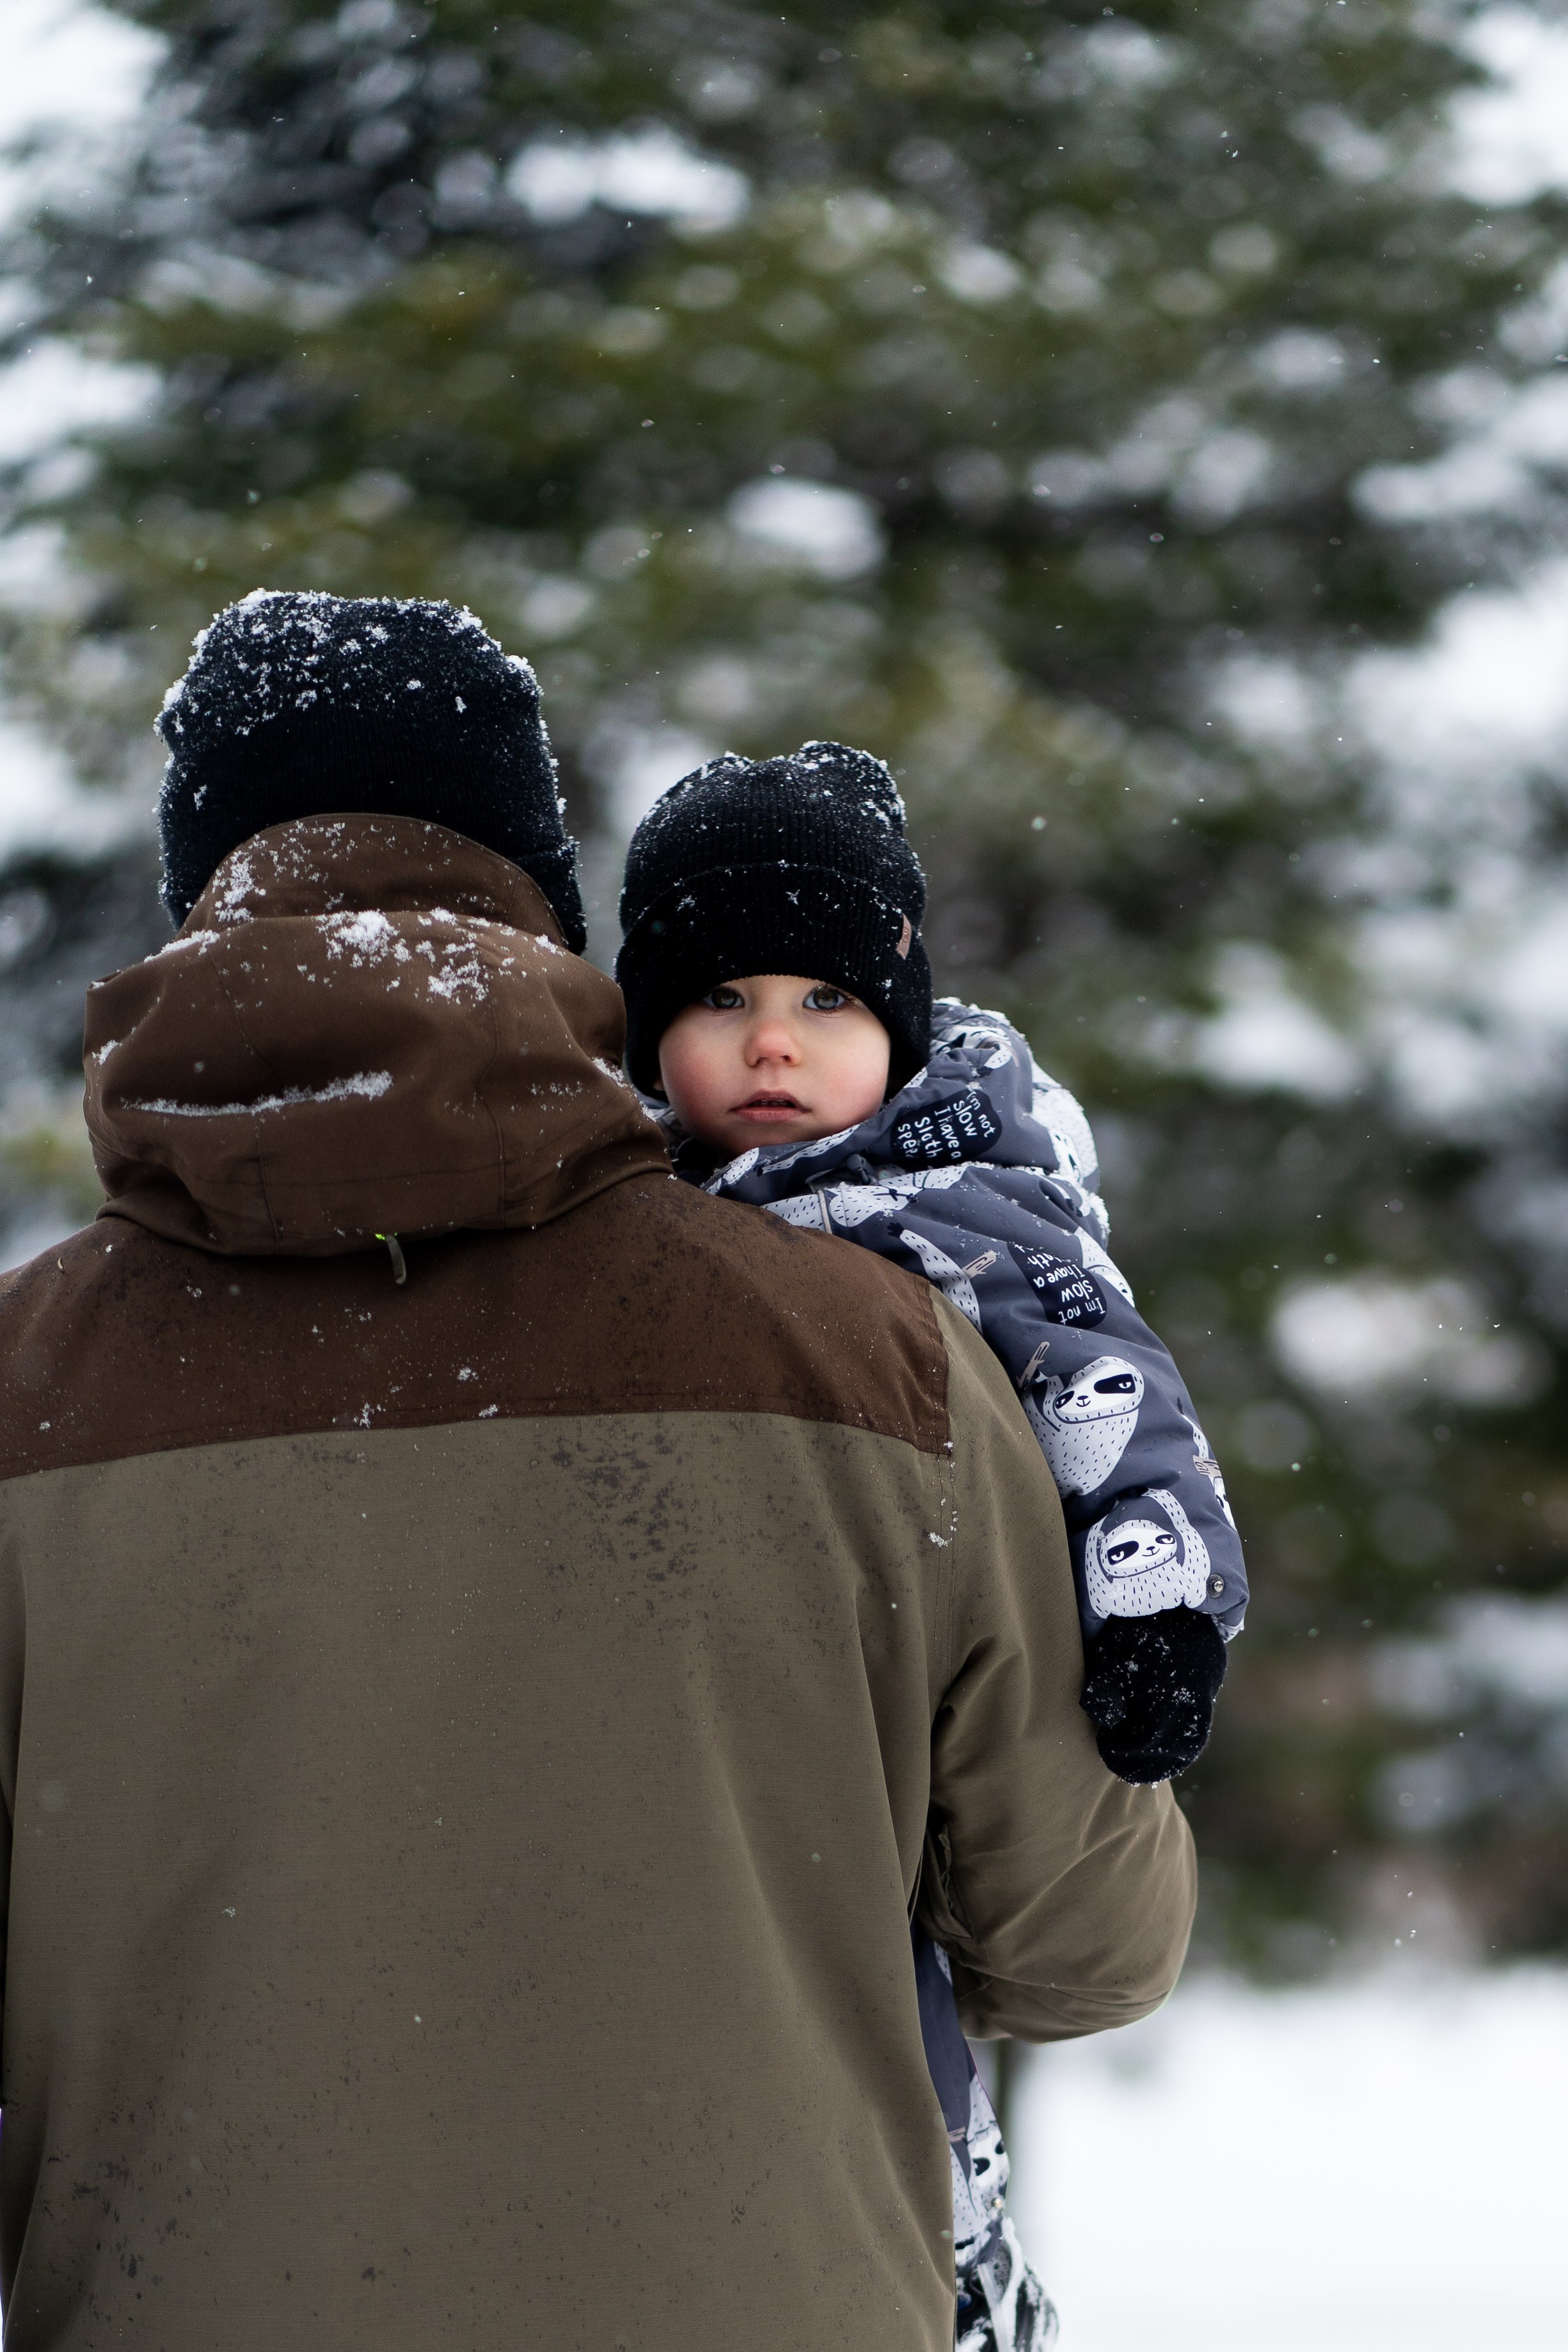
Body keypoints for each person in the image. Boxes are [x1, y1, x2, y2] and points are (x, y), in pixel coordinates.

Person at [0, 597, 1196, 2352]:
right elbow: (1083, 1944)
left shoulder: (23, 1394)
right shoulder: (882, 1354)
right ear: (543, 896)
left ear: (199, 888)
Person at [616, 740, 1246, 2350]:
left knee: (885, 2039)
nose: (772, 1041)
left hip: (893, 1742)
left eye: (825, 1000)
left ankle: (955, 2258)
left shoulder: (960, 1201)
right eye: (721, 999)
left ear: (894, 1016)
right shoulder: (607, 1214)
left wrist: (1158, 1606)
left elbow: (1125, 1410)